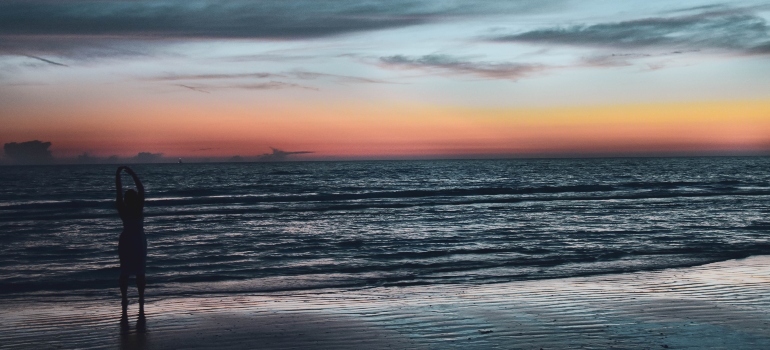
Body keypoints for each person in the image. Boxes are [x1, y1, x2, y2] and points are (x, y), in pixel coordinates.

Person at [115, 166, 147, 314]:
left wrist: (118, 175)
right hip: (138, 240)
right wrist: (133, 173)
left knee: (125, 271)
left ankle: (124, 298)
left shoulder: (123, 209)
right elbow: (141, 190)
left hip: (127, 240)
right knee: (140, 271)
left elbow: (118, 192)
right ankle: (141, 298)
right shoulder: (138, 207)